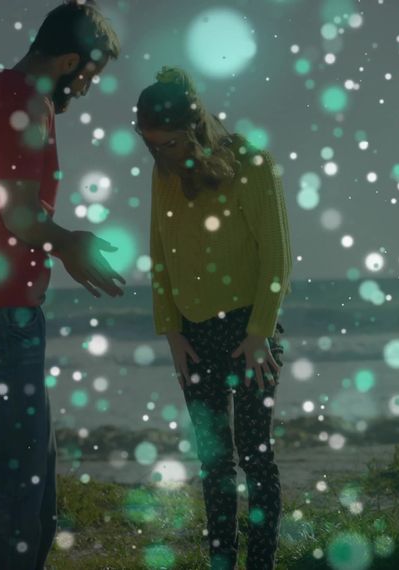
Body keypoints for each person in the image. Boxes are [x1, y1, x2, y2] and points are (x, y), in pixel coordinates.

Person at [0, 2, 123, 568]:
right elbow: (20, 216)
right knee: (19, 486)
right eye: (88, 76)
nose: (86, 89)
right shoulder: (24, 102)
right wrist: (70, 242)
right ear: (68, 62)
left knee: (33, 480)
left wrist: (60, 247)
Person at [138, 65, 294, 570]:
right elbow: (159, 254)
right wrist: (171, 331)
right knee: (213, 463)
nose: (158, 155)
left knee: (255, 455)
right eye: (149, 143)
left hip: (250, 332)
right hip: (192, 335)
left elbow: (277, 257)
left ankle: (261, 563)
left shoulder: (252, 163)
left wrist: (259, 333)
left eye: (167, 143)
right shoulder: (162, 174)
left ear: (194, 127)